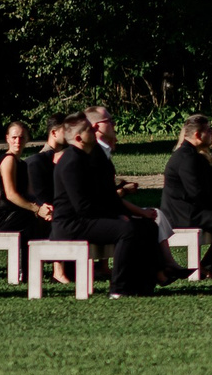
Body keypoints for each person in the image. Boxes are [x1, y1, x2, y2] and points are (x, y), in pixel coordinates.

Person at [49, 113, 165, 296]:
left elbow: (106, 195)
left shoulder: (87, 158)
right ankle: (118, 288)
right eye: (89, 129)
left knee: (148, 226)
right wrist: (116, 217)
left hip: (87, 219)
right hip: (72, 224)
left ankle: (144, 285)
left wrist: (124, 213)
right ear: (78, 138)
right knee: (127, 230)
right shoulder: (71, 162)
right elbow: (83, 206)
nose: (94, 129)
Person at [162, 115, 212, 279]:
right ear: (197, 135)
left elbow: (211, 188)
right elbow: (197, 193)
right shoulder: (187, 157)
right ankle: (207, 266)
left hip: (190, 210)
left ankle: (210, 265)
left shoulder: (193, 155)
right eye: (209, 130)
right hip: (183, 214)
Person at [0, 119, 52, 264]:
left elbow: (30, 194)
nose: (18, 141)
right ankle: (30, 266)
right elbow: (11, 195)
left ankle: (43, 262)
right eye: (14, 137)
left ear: (27, 139)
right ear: (7, 138)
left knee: (46, 217)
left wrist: (44, 207)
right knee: (34, 219)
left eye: (22, 137)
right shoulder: (8, 160)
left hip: (18, 213)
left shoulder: (22, 163)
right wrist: (36, 209)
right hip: (5, 216)